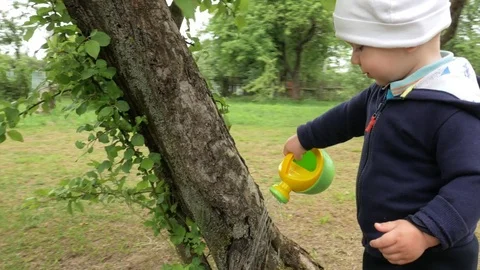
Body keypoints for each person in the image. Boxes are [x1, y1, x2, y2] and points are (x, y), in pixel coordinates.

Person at [283, 0, 480, 269]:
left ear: (409, 36)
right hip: (382, 249)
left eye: (360, 47)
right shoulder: (388, 89)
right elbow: (346, 116)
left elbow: (472, 182)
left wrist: (424, 232)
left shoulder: (451, 107)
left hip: (435, 257)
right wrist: (306, 137)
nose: (354, 59)